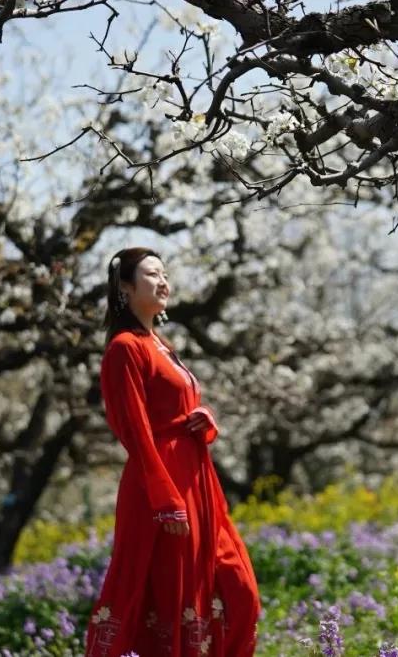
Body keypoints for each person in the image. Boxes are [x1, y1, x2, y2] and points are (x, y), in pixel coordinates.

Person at [85, 248, 260, 657]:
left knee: (238, 590)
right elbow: (134, 429)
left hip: (197, 480)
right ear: (126, 288)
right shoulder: (125, 348)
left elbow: (181, 405)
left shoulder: (161, 344)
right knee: (168, 592)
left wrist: (204, 418)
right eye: (151, 274)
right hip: (162, 488)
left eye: (165, 274)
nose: (164, 281)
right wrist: (165, 500)